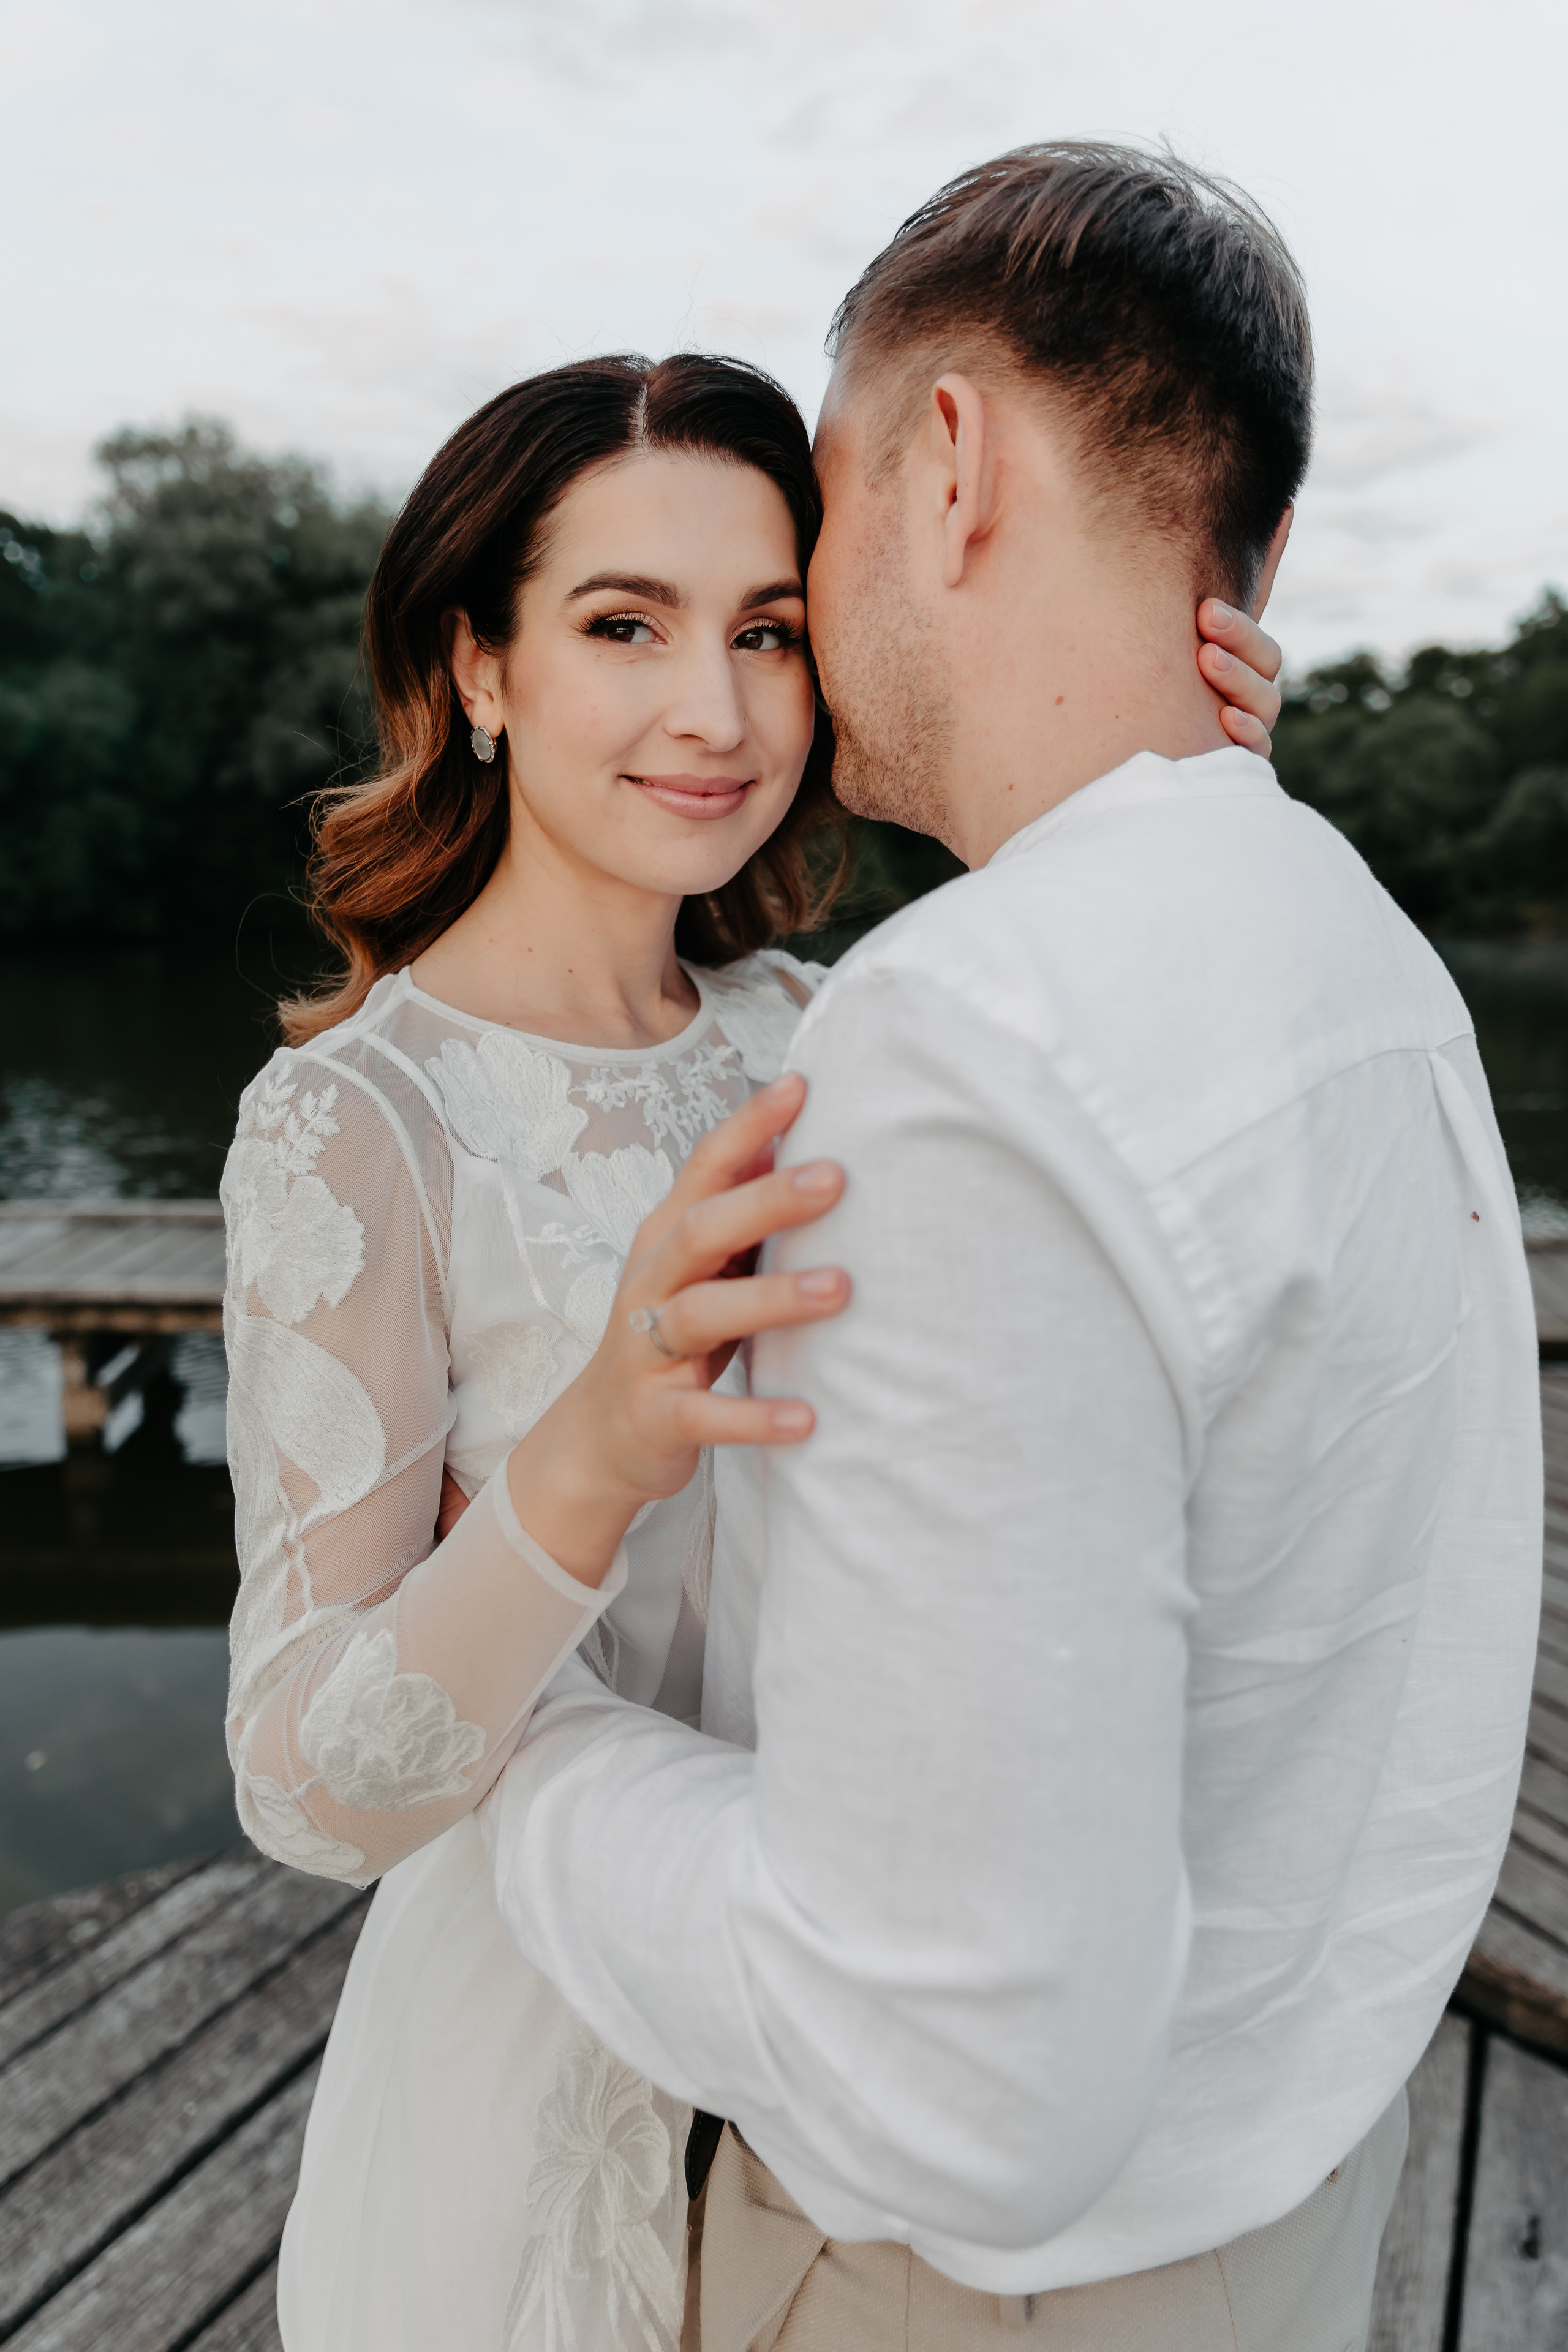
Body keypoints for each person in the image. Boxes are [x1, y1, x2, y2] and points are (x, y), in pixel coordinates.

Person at [480, 146, 1544, 2351]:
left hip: (973, 2295)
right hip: (1292, 2191)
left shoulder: (976, 1041)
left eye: (827, 515)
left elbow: (956, 2082)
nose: (777, 636)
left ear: (948, 466)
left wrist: (532, 1762)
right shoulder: (1366, 956)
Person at [220, 348, 1280, 2350]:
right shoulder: (362, 1125)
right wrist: (588, 1455)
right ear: (480, 668)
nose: (715, 711)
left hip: (861, 2051)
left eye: (770, 632)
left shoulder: (833, 1034)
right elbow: (301, 1786)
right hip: (533, 2081)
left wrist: (1196, 813)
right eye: (624, 624)